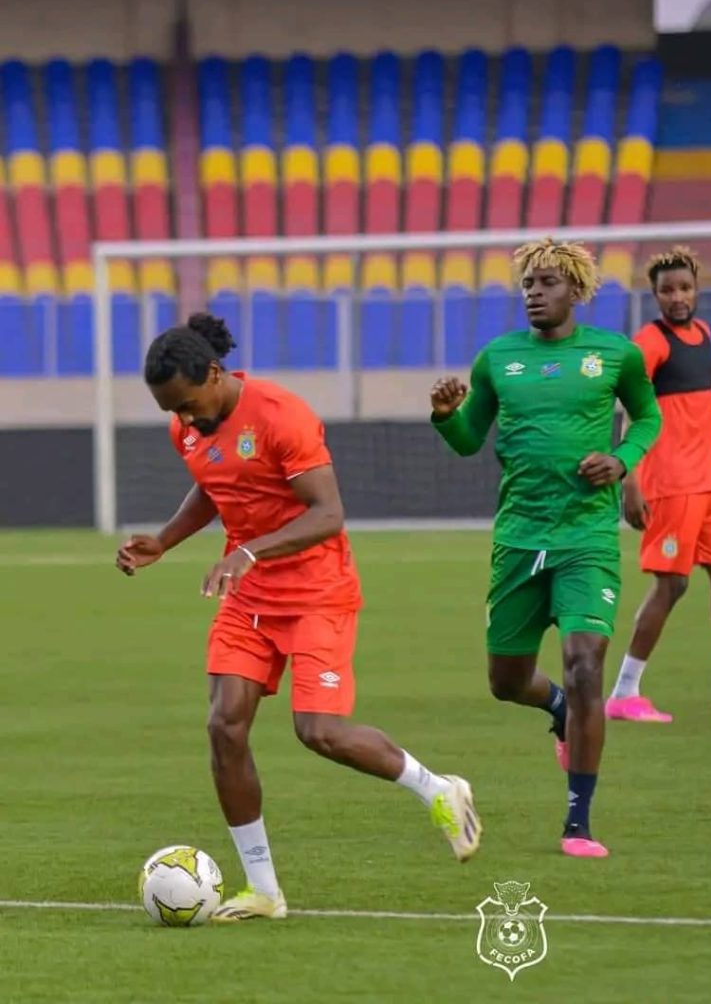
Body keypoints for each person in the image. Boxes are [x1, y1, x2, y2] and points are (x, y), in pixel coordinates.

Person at [116, 312, 481, 922]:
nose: (183, 420)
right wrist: (165, 541)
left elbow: (328, 513)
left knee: (320, 732)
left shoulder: (281, 415)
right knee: (223, 728)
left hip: (316, 592)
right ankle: (264, 890)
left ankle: (439, 790)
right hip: (249, 598)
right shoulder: (188, 427)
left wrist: (249, 549)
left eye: (187, 404)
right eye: (171, 411)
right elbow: (214, 483)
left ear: (214, 373)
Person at [429, 239, 661, 858]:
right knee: (506, 681)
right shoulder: (497, 359)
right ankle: (554, 707)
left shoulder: (615, 356)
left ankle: (579, 821)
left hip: (585, 536)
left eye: (549, 282)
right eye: (529, 283)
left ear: (576, 290)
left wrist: (620, 459)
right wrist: (448, 415)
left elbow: (647, 418)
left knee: (586, 663)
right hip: (518, 538)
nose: (535, 291)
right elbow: (466, 440)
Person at [608, 246, 711, 723]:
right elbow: (628, 407)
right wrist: (630, 481)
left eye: (684, 288)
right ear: (655, 295)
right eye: (666, 290)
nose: (677, 297)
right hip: (672, 483)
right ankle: (624, 692)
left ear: (697, 288)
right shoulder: (650, 342)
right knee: (672, 585)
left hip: (710, 483)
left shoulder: (703, 334)